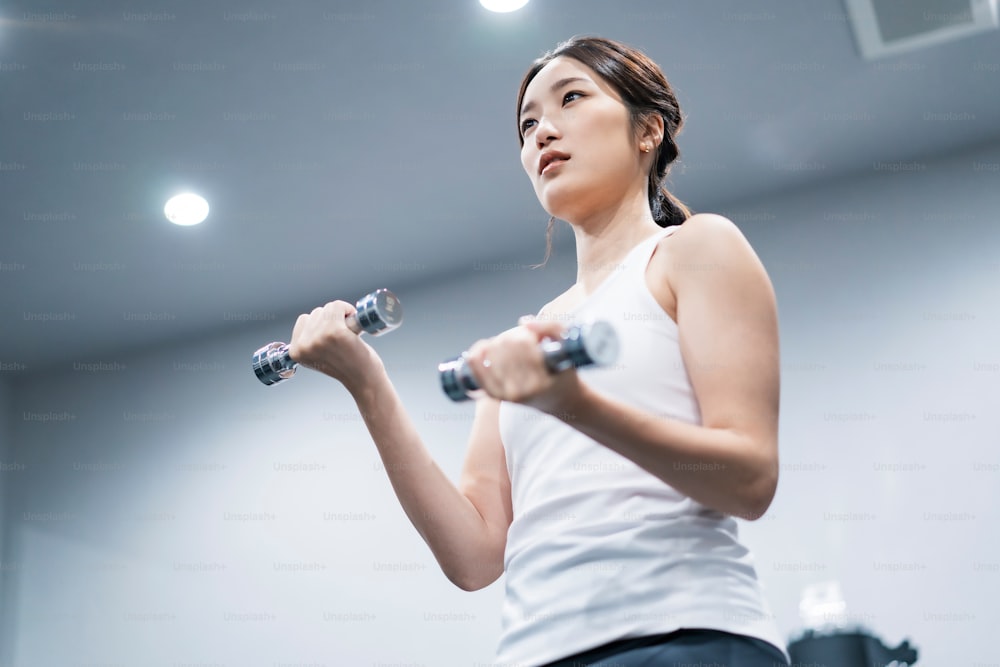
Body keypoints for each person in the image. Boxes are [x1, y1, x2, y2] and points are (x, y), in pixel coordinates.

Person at [290, 35, 790, 667]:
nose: (542, 132)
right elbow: (474, 557)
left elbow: (749, 479)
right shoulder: (524, 342)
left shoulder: (696, 250)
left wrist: (572, 404)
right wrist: (365, 384)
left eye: (572, 99)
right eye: (527, 126)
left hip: (683, 637)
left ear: (649, 131)